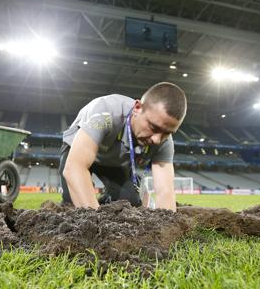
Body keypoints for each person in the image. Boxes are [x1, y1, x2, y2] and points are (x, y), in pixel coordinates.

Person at [59, 82, 187, 211]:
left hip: (113, 161)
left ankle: (106, 202)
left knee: (130, 203)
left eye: (167, 133)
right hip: (77, 149)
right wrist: (96, 222)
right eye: (153, 127)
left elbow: (165, 191)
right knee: (73, 204)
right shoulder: (106, 114)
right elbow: (74, 168)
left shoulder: (164, 141)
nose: (157, 139)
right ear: (137, 108)